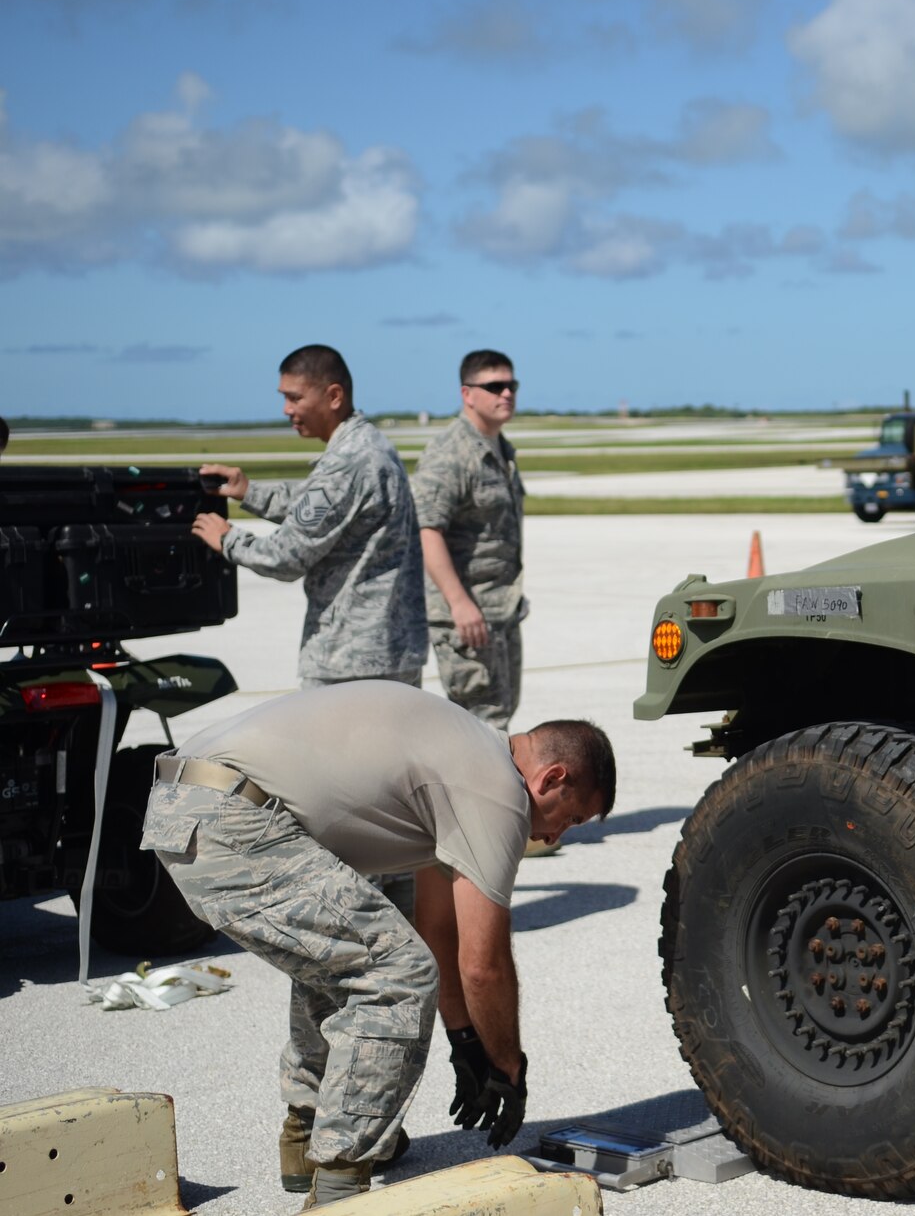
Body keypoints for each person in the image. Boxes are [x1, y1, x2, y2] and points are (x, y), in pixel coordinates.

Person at [139, 682, 616, 1208]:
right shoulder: (497, 791)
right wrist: (507, 1068)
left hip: (189, 801)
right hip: (230, 817)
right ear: (553, 777)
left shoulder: (464, 753)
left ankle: (309, 1136)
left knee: (353, 958)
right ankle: (340, 1184)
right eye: (569, 818)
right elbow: (484, 966)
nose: (555, 838)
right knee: (396, 976)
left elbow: (438, 933)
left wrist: (466, 1042)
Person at [193, 345, 427, 687]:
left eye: (295, 398)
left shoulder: (349, 462)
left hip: (350, 663)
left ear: (333, 396)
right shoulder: (368, 445)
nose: (287, 409)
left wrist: (228, 539)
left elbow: (285, 557)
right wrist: (248, 490)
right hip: (384, 652)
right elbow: (320, 506)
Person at [412, 351, 527, 731]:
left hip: (500, 611)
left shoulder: (500, 449)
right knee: (481, 729)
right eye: (495, 386)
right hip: (467, 618)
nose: (507, 393)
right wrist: (460, 604)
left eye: (512, 385)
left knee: (498, 723)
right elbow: (426, 530)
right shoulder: (451, 453)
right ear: (467, 394)